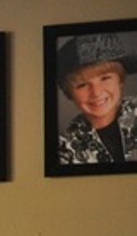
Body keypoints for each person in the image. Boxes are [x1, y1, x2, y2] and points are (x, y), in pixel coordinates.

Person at [55, 32, 137, 164]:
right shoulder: (64, 148)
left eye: (105, 78)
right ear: (70, 94)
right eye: (82, 85)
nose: (96, 93)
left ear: (120, 81)